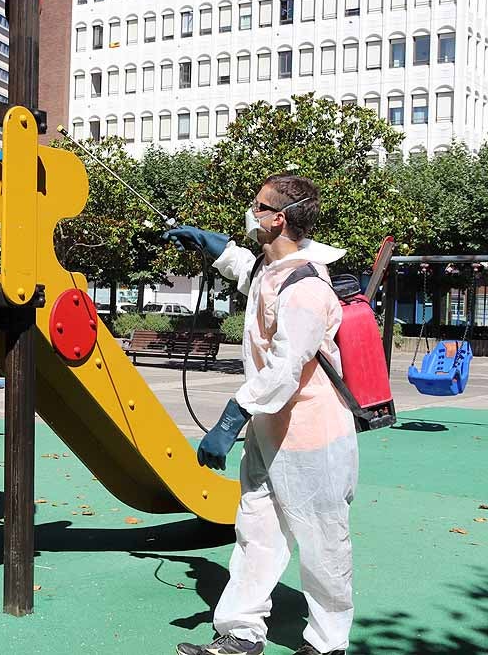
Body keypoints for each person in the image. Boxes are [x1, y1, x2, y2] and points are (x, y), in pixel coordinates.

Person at [163, 175, 357, 655]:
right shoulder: (275, 271)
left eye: (258, 206)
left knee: (322, 546)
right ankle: (241, 633)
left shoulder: (308, 286)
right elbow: (252, 274)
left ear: (279, 219)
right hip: (270, 434)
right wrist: (213, 246)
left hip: (313, 437)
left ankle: (329, 644)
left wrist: (230, 420)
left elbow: (286, 369)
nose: (251, 211)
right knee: (256, 534)